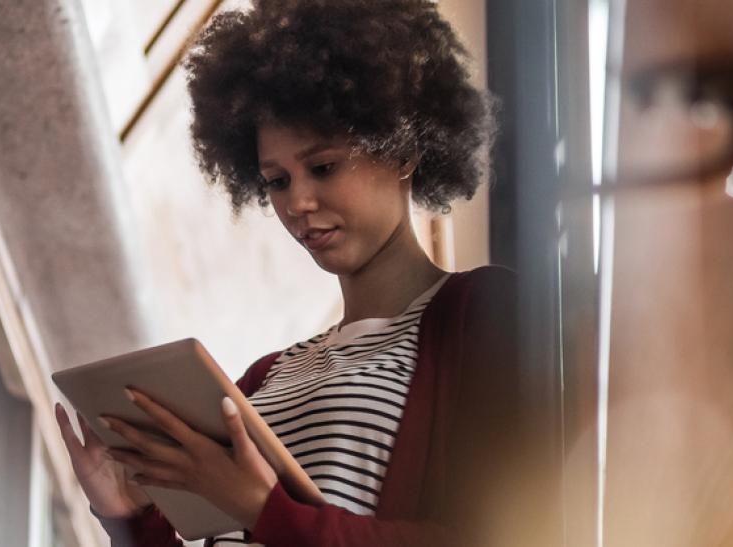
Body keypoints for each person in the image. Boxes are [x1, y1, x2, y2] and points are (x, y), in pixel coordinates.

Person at [52, 1, 519, 545]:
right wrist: (132, 519)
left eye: (323, 167)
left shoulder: (479, 314)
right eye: (276, 180)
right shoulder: (265, 377)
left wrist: (262, 508)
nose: (298, 201)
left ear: (403, 151)